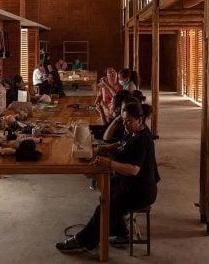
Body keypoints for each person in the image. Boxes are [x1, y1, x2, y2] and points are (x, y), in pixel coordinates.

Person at [56, 99, 160, 253]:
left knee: (105, 206)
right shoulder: (133, 130)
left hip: (140, 190)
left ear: (140, 119)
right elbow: (121, 143)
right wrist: (106, 148)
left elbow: (133, 170)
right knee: (105, 191)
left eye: (128, 121)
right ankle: (120, 232)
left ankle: (82, 241)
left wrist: (109, 163)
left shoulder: (143, 139)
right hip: (129, 183)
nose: (125, 124)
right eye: (123, 121)